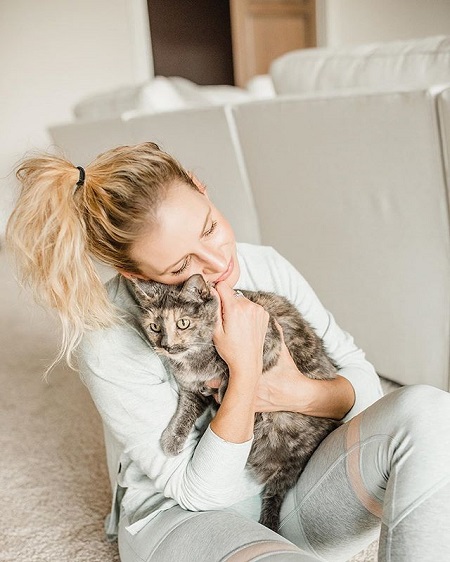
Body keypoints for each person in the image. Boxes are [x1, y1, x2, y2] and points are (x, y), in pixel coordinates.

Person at [6, 142, 450, 562]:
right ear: (133, 275)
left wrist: (293, 392)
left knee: (430, 410)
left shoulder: (264, 264)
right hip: (185, 520)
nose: (217, 263)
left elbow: (366, 387)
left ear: (202, 188)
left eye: (210, 228)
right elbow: (200, 495)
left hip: (294, 489)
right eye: (180, 267)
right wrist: (245, 372)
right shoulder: (106, 337)